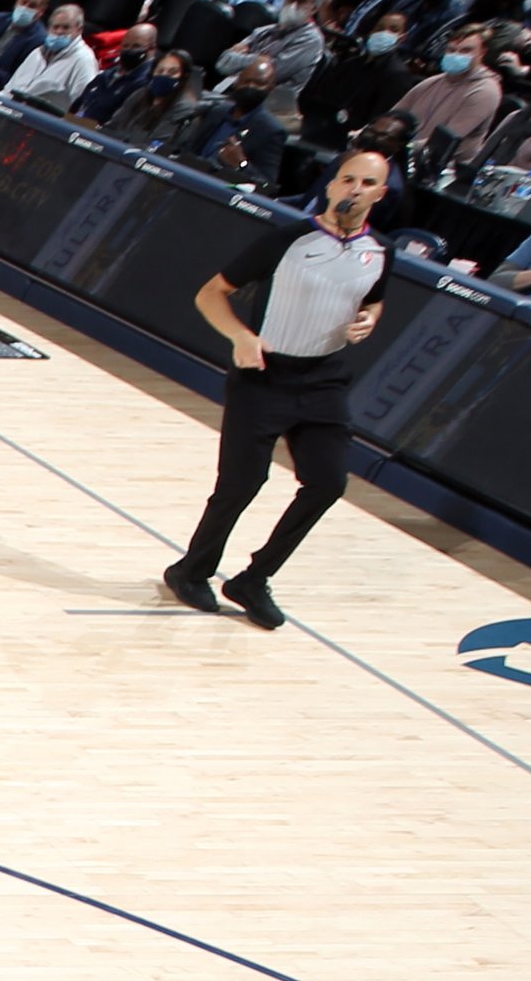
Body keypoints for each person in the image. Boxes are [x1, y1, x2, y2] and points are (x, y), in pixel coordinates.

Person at [165, 148, 390, 632]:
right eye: (347, 179)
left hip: (324, 378)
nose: (355, 189)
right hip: (264, 377)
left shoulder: (380, 251)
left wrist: (369, 320)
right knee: (241, 484)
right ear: (330, 186)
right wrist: (241, 336)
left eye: (366, 183)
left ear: (380, 194)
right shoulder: (289, 240)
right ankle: (190, 571)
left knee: (328, 483)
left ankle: (254, 578)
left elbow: (373, 302)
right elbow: (211, 293)